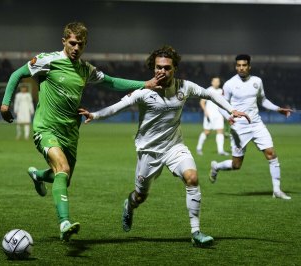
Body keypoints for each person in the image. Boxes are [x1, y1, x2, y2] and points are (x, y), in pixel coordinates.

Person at [0, 22, 163, 242]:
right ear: (64, 41)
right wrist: (5, 104)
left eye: (81, 44)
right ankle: (64, 222)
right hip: (46, 128)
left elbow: (112, 83)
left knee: (62, 177)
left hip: (71, 132)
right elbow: (16, 74)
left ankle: (38, 175)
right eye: (73, 43)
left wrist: (145, 84)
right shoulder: (48, 60)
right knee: (63, 168)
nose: (77, 48)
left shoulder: (86, 69)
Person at [79, 45, 250, 247]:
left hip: (174, 147)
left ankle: (196, 232)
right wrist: (95, 115)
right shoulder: (144, 92)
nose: (162, 71)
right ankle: (130, 204)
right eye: (159, 67)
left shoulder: (184, 86)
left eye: (167, 68)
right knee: (140, 196)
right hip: (148, 152)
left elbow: (210, 94)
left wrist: (232, 110)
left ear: (174, 68)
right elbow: (118, 106)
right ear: (153, 68)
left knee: (192, 178)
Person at [209, 54, 293, 200]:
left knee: (271, 154)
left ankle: (277, 190)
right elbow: (221, 105)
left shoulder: (257, 81)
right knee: (236, 165)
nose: (241, 68)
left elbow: (263, 100)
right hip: (239, 128)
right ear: (236, 67)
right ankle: (216, 166)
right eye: (238, 65)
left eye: (244, 65)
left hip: (256, 124)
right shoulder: (229, 84)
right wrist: (228, 117)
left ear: (249, 66)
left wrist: (277, 108)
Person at [196, 77, 229, 156]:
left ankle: (220, 151)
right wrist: (205, 111)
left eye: (218, 81)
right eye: (215, 81)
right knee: (207, 132)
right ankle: (199, 148)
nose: (216, 83)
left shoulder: (221, 91)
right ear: (212, 82)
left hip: (219, 115)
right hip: (209, 115)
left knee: (220, 131)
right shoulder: (208, 90)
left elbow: (223, 103)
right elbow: (202, 102)